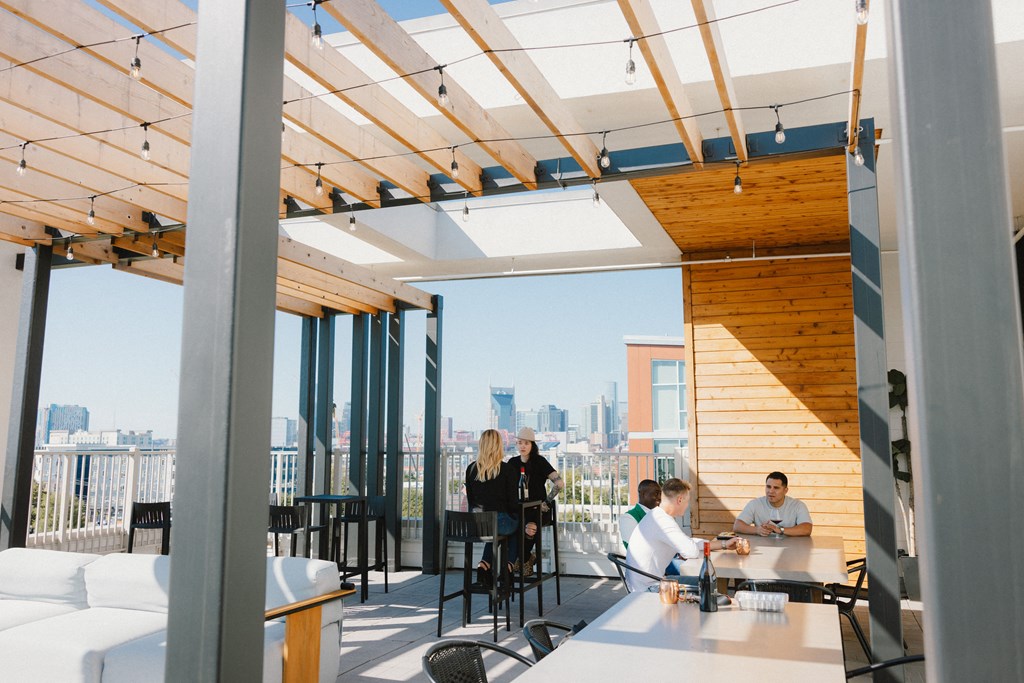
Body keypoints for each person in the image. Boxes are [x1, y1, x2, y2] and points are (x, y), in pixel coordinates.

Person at [624, 478, 739, 592]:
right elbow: (691, 551)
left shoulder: (657, 515)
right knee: (709, 584)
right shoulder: (662, 521)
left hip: (648, 582)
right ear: (679, 500)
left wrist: (724, 544)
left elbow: (687, 542)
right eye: (687, 501)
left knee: (710, 582)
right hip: (648, 588)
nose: (688, 505)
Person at [465, 429, 520, 588]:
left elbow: (471, 500)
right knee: (516, 526)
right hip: (498, 522)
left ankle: (484, 566)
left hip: (477, 524)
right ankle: (508, 568)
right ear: (498, 446)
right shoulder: (507, 469)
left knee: (496, 530)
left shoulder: (471, 469)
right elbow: (513, 503)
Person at [507, 427, 564, 576]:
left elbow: (559, 483)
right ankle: (525, 559)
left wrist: (547, 502)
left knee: (530, 526)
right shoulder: (512, 463)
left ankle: (524, 559)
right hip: (520, 509)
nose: (522, 446)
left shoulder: (540, 461)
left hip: (539, 509)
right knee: (512, 524)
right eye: (520, 443)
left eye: (526, 443)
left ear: (532, 445)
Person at [732, 471, 813, 537]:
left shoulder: (797, 505)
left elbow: (807, 529)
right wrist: (757, 530)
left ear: (785, 490)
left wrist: (780, 530)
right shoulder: (755, 504)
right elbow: (737, 526)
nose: (771, 491)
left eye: (776, 488)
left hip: (790, 550)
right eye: (768, 487)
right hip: (762, 548)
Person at [618, 479, 661, 549]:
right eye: (656, 494)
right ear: (643, 494)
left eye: (660, 494)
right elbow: (634, 547)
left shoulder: (660, 515)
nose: (659, 498)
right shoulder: (628, 517)